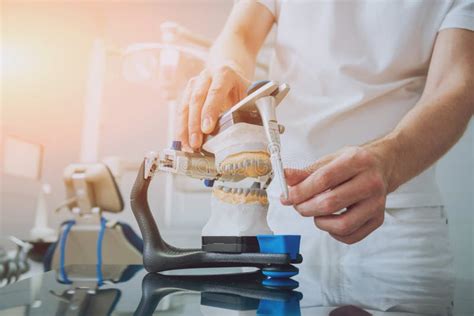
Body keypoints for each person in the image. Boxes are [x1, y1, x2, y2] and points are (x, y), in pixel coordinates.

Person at [176, 0, 474, 267]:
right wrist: (226, 69)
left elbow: (456, 85)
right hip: (282, 217)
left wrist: (389, 162)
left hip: (398, 224)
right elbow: (239, 33)